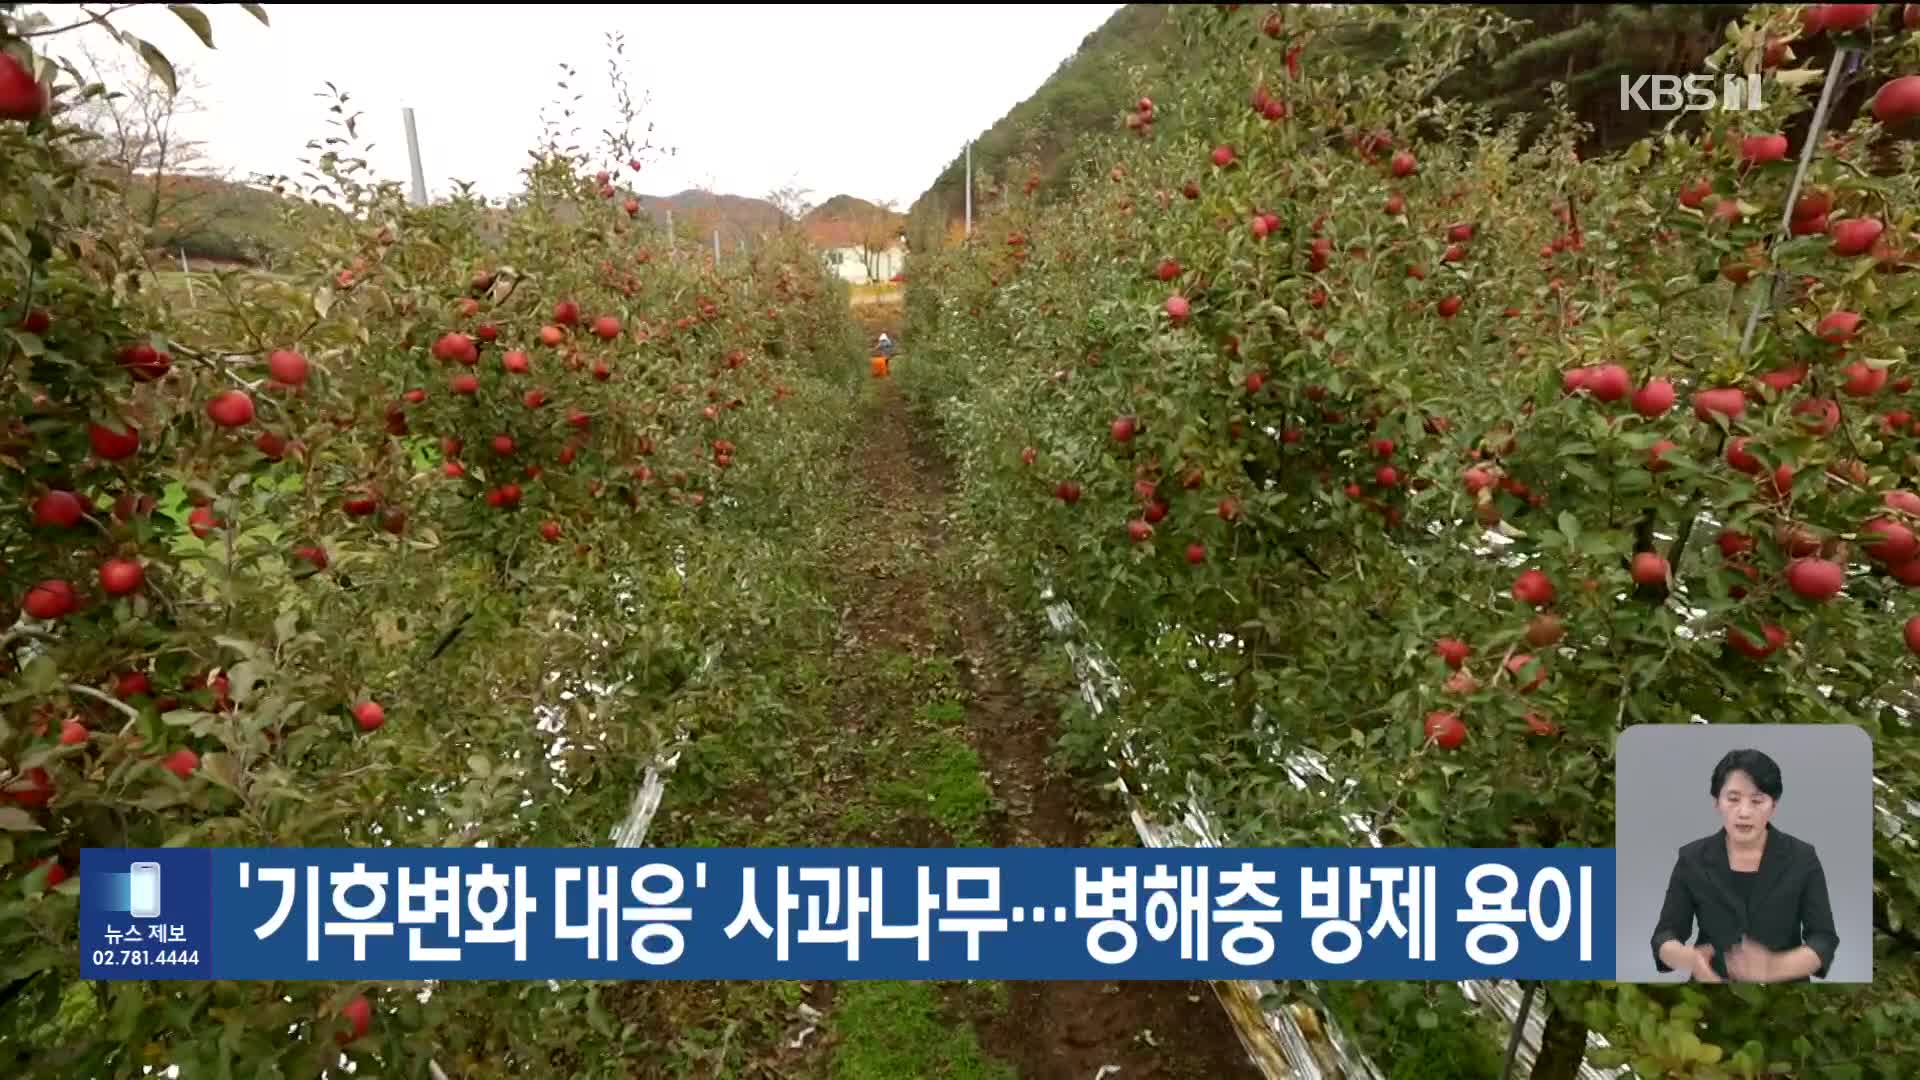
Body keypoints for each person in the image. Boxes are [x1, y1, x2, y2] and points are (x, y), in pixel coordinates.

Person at [1648, 748, 1840, 983]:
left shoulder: (1802, 857)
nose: (1744, 812)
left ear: (1773, 805)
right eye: (1733, 799)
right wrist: (1687, 958)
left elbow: (1823, 938)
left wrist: (1774, 967)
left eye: (1757, 801)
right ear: (1717, 802)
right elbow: (1665, 934)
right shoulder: (1692, 858)